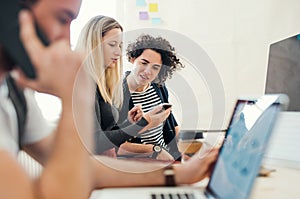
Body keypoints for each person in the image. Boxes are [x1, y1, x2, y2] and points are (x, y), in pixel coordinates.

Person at [0, 1, 219, 197]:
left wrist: (179, 173)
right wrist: (74, 96)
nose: (65, 40)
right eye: (62, 19)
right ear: (10, 12)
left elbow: (85, 168)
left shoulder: (14, 94)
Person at [75, 15, 171, 157]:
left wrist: (128, 122)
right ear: (94, 44)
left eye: (120, 46)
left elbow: (108, 132)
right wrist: (144, 122)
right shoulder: (83, 84)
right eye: (112, 44)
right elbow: (94, 142)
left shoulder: (102, 84)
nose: (119, 52)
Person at [117, 34, 184, 161]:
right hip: (143, 160)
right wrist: (155, 150)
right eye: (144, 63)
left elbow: (172, 124)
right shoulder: (118, 94)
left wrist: (190, 145)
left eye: (155, 67)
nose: (148, 72)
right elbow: (118, 146)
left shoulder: (159, 87)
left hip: (169, 156)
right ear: (132, 59)